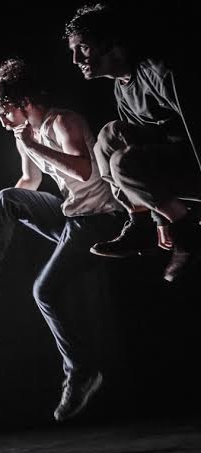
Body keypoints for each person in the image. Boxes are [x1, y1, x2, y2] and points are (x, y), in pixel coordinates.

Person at [0, 59, 123, 421]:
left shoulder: (63, 121)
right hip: (71, 218)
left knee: (44, 291)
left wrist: (35, 146)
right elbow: (29, 182)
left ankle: (81, 371)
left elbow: (84, 170)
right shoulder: (25, 136)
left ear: (23, 101)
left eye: (5, 113)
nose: (4, 123)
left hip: (101, 221)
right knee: (7, 198)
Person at [65, 3, 201, 281]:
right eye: (73, 51)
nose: (76, 59)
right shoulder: (122, 88)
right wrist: (158, 218)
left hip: (194, 166)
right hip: (171, 164)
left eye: (84, 48)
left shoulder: (160, 72)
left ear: (111, 44)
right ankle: (140, 222)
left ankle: (189, 233)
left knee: (123, 162)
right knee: (109, 136)